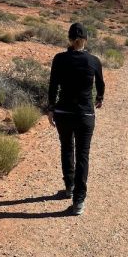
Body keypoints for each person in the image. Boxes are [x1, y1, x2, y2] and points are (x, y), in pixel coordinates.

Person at [47, 22, 105, 216]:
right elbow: (101, 85)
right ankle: (78, 200)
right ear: (86, 39)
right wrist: (99, 99)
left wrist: (51, 108)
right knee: (82, 154)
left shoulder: (59, 59)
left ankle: (69, 186)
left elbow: (53, 85)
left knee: (66, 147)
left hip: (63, 112)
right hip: (85, 114)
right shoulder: (94, 61)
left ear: (69, 39)